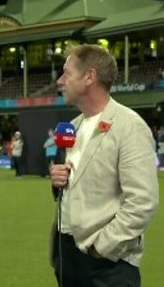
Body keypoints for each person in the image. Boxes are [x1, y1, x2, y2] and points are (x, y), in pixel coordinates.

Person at [50, 43, 159, 287]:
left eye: (67, 73)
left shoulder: (130, 126)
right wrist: (59, 183)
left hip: (107, 266)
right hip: (67, 257)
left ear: (89, 77)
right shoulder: (74, 125)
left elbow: (143, 202)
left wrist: (102, 247)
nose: (59, 80)